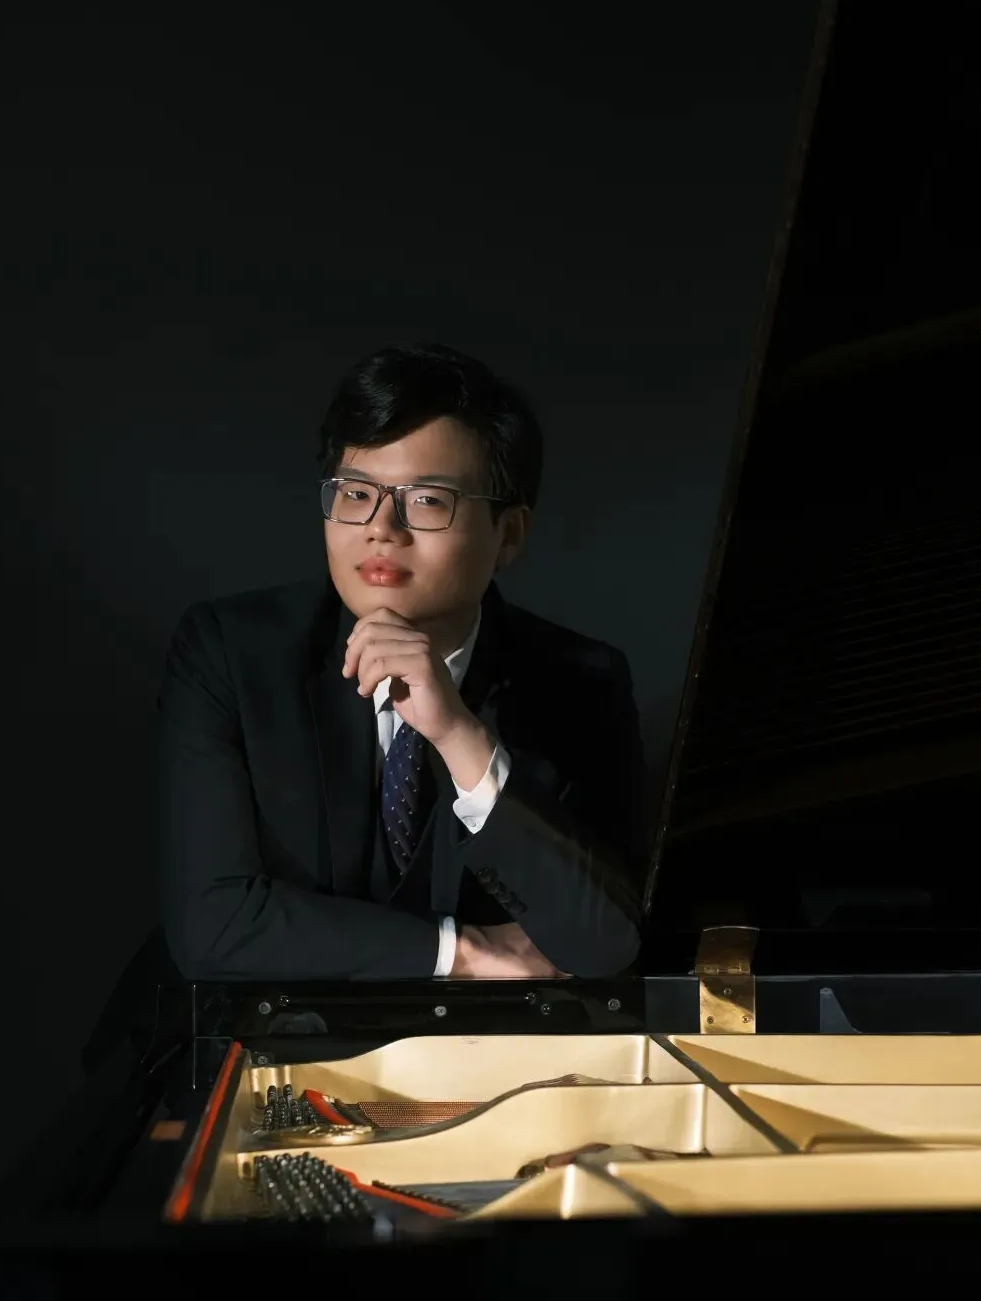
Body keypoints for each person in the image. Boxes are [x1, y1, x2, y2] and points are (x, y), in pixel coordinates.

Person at [158, 342, 646, 981]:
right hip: (261, 1034)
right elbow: (213, 925)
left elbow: (606, 946)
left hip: (488, 1043)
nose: (381, 529)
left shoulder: (582, 682)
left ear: (508, 535)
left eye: (427, 501)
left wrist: (459, 734)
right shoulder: (230, 651)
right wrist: (462, 951)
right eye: (355, 493)